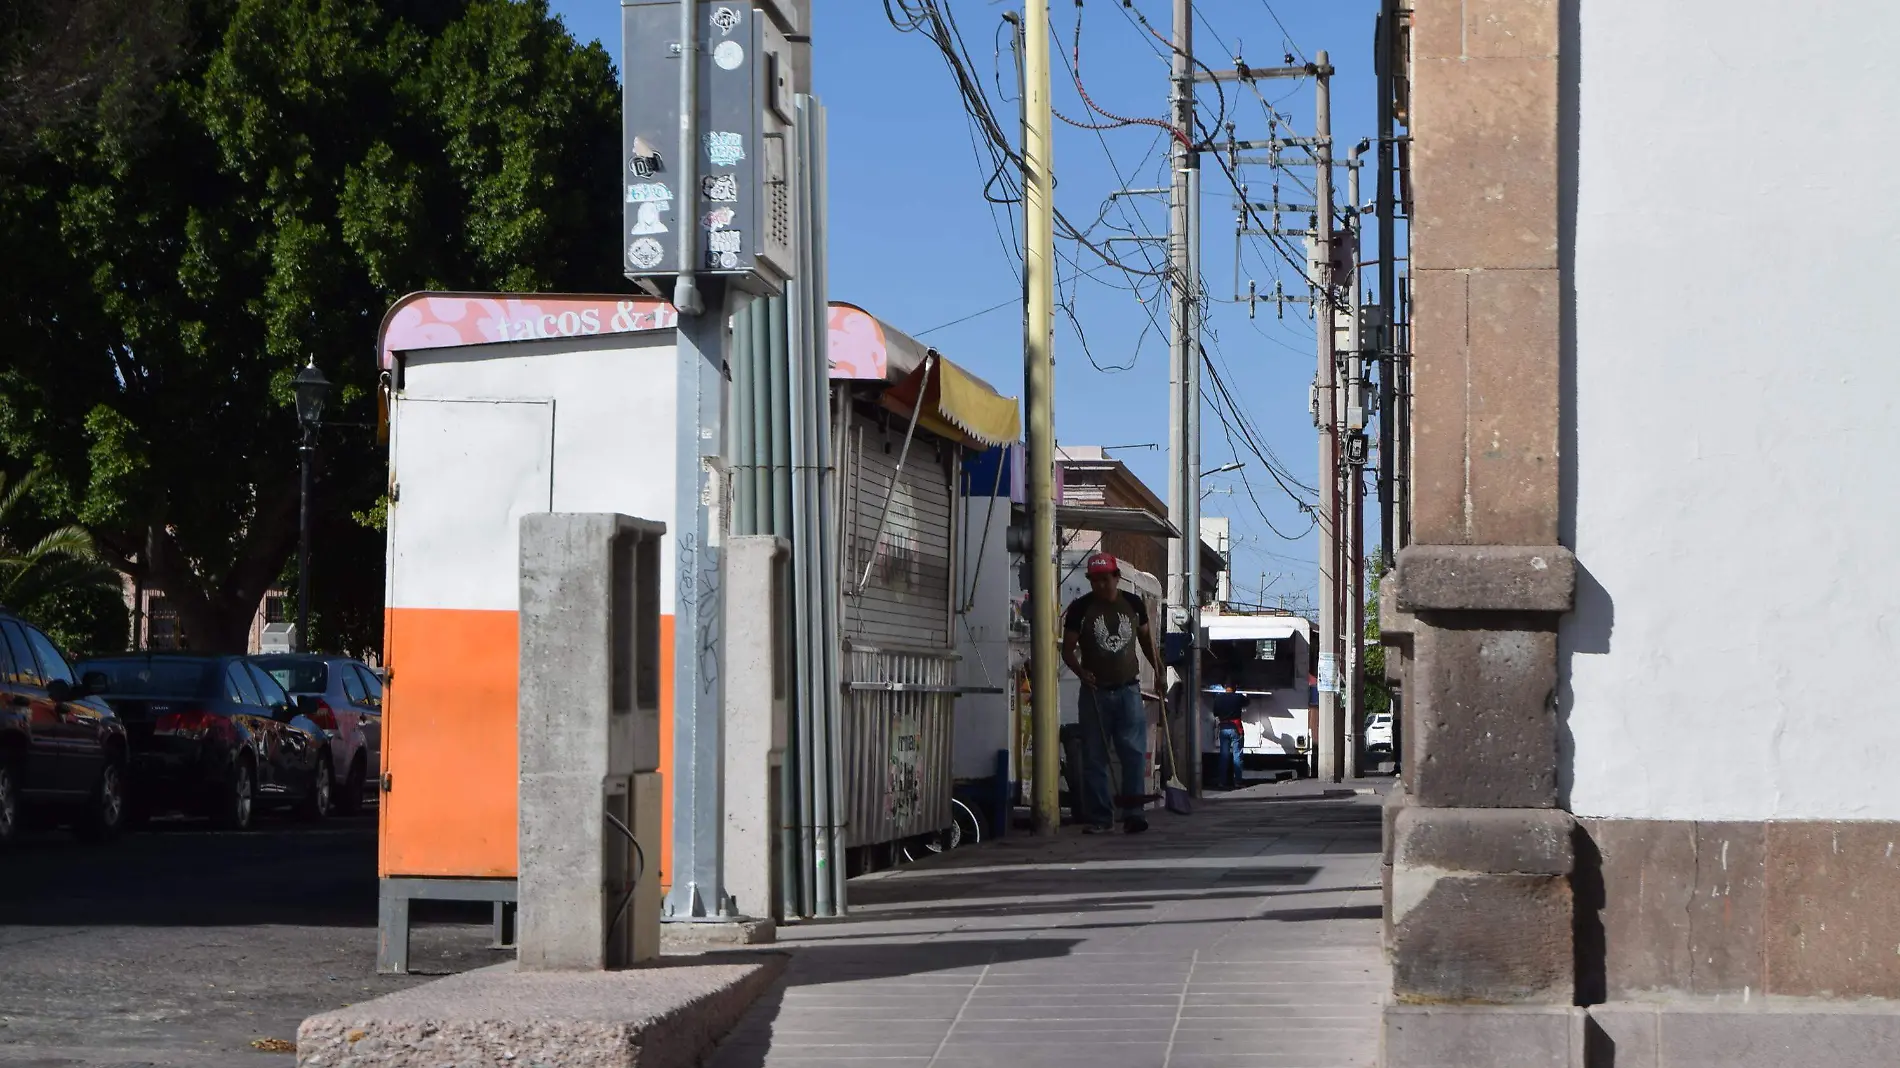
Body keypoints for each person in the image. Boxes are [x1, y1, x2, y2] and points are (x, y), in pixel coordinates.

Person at [1062, 552, 1163, 834]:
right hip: (1095, 692)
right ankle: (1100, 818)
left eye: (1105, 579)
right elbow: (1067, 650)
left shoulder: (1132, 603)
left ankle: (1134, 814)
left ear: (1116, 578)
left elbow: (1146, 640)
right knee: (1094, 757)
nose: (1101, 585)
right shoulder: (1080, 609)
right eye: (1095, 581)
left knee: (1132, 754)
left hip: (1128, 690)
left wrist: (1160, 671)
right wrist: (1082, 673)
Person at [1208, 678, 1248, 790]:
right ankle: (1238, 781)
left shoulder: (1218, 698)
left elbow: (1215, 713)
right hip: (1236, 728)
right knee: (1237, 755)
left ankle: (1222, 781)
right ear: (1235, 687)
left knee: (1224, 756)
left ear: (1225, 687)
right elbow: (1247, 702)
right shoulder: (1239, 697)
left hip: (1224, 728)